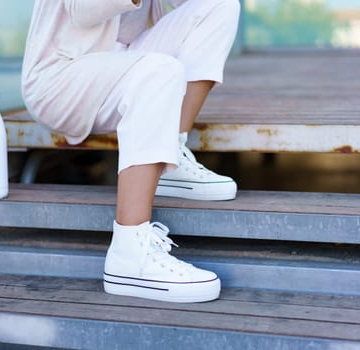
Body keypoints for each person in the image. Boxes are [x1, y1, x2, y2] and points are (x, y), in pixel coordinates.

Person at [22, 0, 240, 303]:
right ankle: (130, 253)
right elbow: (81, 10)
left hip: (120, 59)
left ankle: (169, 157)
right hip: (59, 76)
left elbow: (172, 15)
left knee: (219, 6)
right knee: (159, 70)